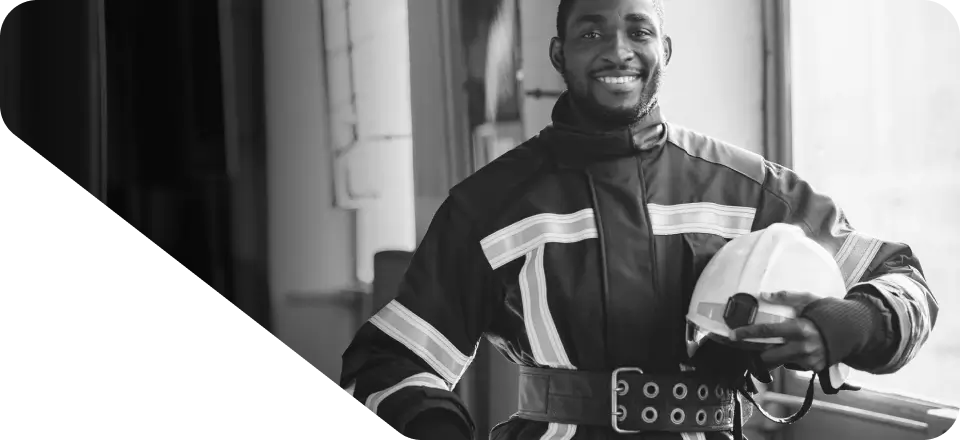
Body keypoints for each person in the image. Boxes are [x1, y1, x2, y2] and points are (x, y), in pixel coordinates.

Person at [338, 0, 939, 438]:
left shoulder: (747, 189)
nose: (617, 49)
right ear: (559, 54)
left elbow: (907, 284)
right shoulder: (488, 205)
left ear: (665, 49)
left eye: (637, 29)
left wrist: (845, 325)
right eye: (591, 30)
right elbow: (388, 361)